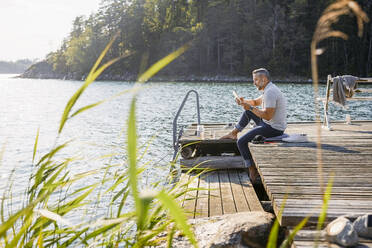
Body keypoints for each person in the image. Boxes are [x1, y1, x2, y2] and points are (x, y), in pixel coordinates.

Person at [221, 68, 287, 181]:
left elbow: (267, 116)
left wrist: (251, 108)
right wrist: (244, 102)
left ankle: (252, 169)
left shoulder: (270, 92)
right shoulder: (269, 89)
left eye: (256, 80)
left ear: (264, 79)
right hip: (268, 124)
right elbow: (256, 102)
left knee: (241, 142)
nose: (254, 83)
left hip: (274, 128)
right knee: (248, 112)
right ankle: (233, 133)